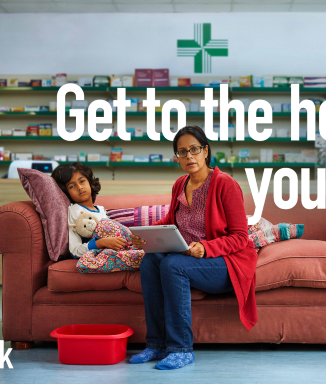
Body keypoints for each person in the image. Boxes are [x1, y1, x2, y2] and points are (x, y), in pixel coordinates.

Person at [129, 126, 258, 370]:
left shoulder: (225, 184)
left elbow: (241, 237)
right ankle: (156, 344)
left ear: (205, 151)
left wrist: (206, 248)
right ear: (176, 157)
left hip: (225, 262)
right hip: (189, 258)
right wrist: (145, 236)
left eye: (194, 149)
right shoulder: (180, 184)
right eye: (182, 152)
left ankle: (181, 349)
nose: (189, 156)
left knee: (172, 263)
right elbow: (170, 220)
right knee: (150, 261)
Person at [51, 162, 144, 258]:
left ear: (90, 183)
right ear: (66, 192)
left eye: (82, 181)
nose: (80, 187)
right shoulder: (74, 211)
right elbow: (75, 251)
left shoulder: (101, 209)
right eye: (71, 186)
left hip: (119, 248)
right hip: (100, 255)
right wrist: (100, 243)